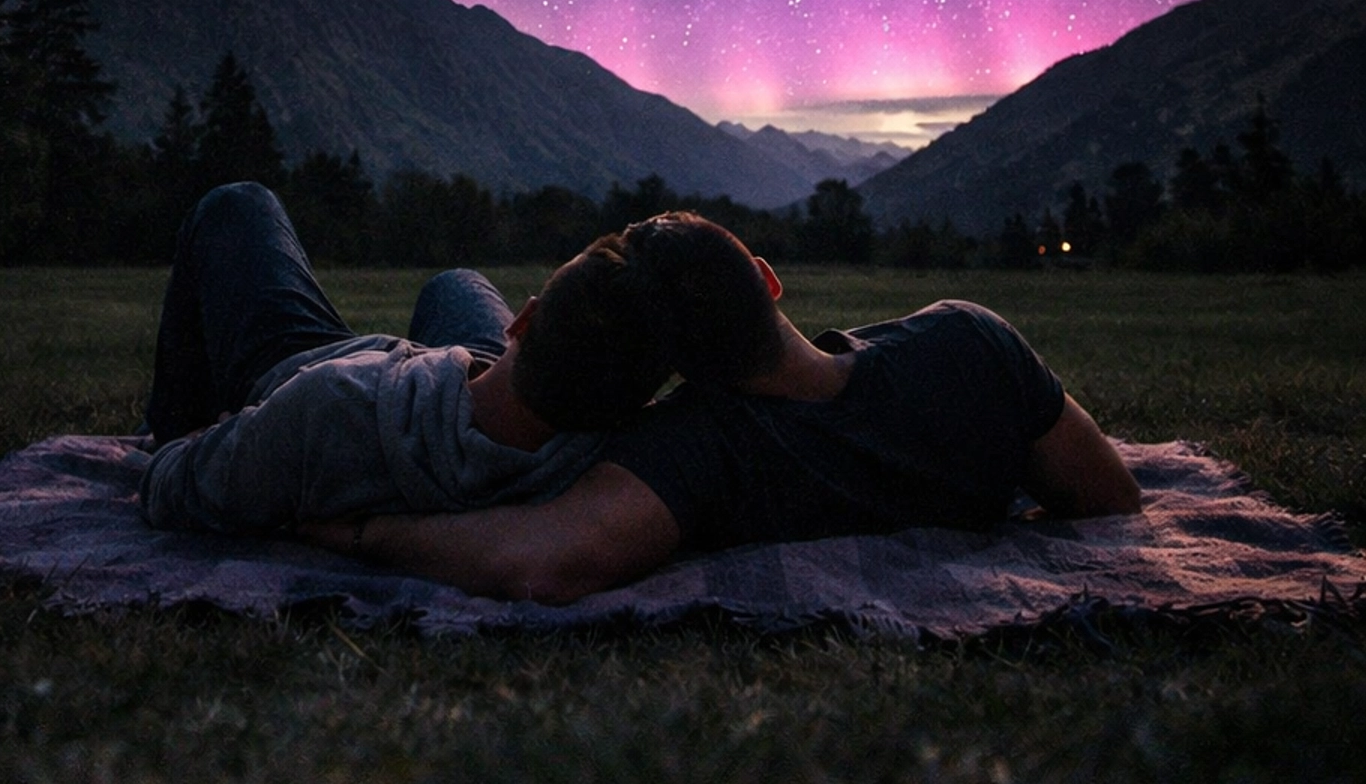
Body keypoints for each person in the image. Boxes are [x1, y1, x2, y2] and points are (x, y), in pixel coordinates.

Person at [306, 212, 1142, 600]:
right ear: (770, 282)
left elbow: (541, 559)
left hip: (443, 401)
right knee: (459, 302)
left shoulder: (702, 445)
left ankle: (371, 375)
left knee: (456, 290)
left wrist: (362, 534)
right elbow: (1108, 495)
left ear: (672, 373)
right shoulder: (968, 341)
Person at [138, 181, 674, 536]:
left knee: (237, 204)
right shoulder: (611, 459)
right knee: (457, 284)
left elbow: (169, 488)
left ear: (524, 321)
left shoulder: (327, 406)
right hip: (494, 405)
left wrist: (192, 444)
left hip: (311, 366)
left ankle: (174, 419)